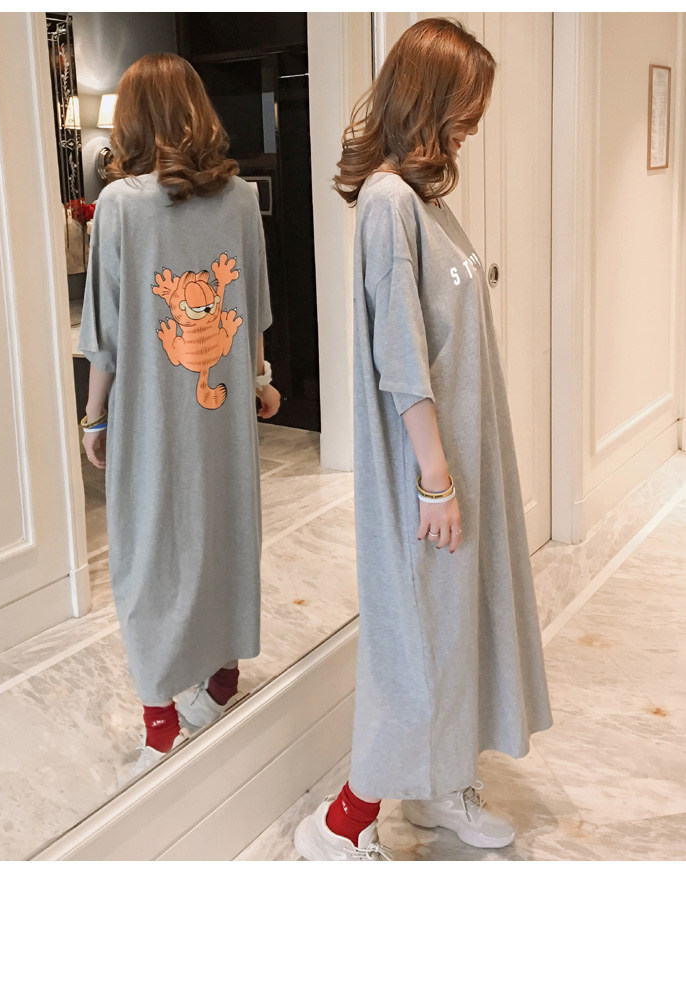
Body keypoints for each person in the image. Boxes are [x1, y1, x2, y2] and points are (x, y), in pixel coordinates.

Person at [294, 18, 552, 861]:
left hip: (460, 457)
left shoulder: (426, 199)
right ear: (428, 98)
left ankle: (439, 785)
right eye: (465, 105)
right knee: (418, 641)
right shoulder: (388, 203)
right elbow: (401, 357)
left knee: (456, 628)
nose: (474, 123)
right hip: (426, 467)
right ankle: (342, 824)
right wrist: (435, 479)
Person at [78, 53, 281, 781]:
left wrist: (94, 417)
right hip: (222, 413)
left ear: (132, 120)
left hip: (152, 418)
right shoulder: (238, 198)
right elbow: (251, 306)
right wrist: (259, 380)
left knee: (149, 552)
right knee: (222, 532)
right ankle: (219, 680)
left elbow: (106, 331)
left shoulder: (119, 206)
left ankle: (160, 722)